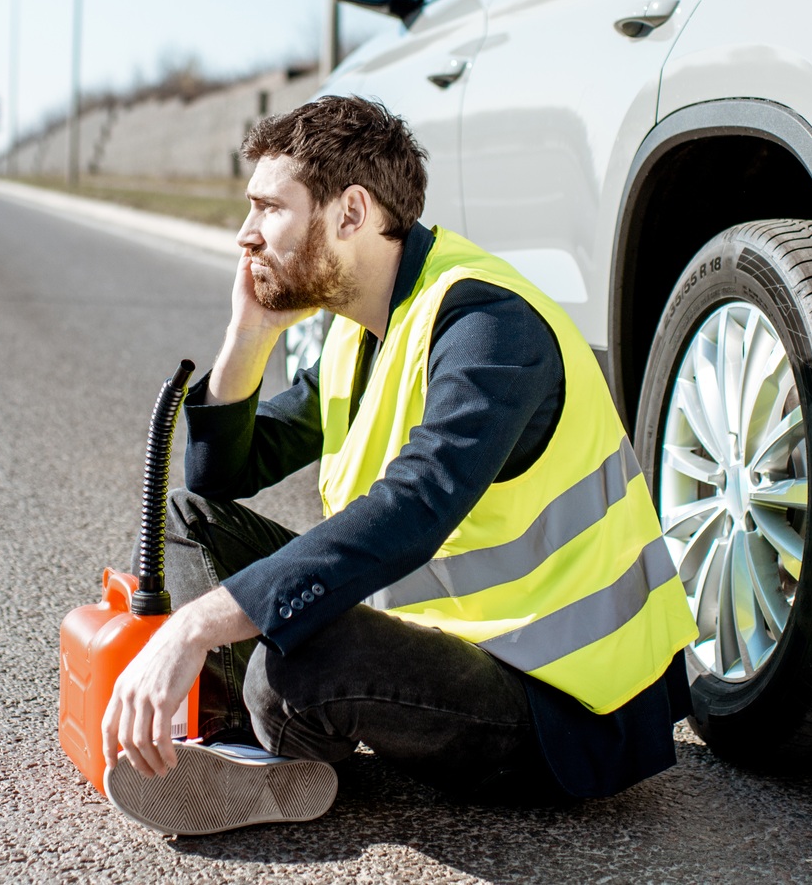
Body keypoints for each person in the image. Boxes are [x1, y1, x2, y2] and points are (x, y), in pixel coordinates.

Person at [100, 95, 697, 837]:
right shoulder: (361, 335)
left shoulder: (491, 327)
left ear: (350, 212)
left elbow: (412, 512)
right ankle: (227, 744)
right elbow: (217, 483)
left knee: (301, 663)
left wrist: (194, 629)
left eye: (268, 209)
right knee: (185, 524)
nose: (246, 236)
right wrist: (245, 335)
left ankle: (266, 742)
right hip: (448, 648)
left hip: (562, 707)